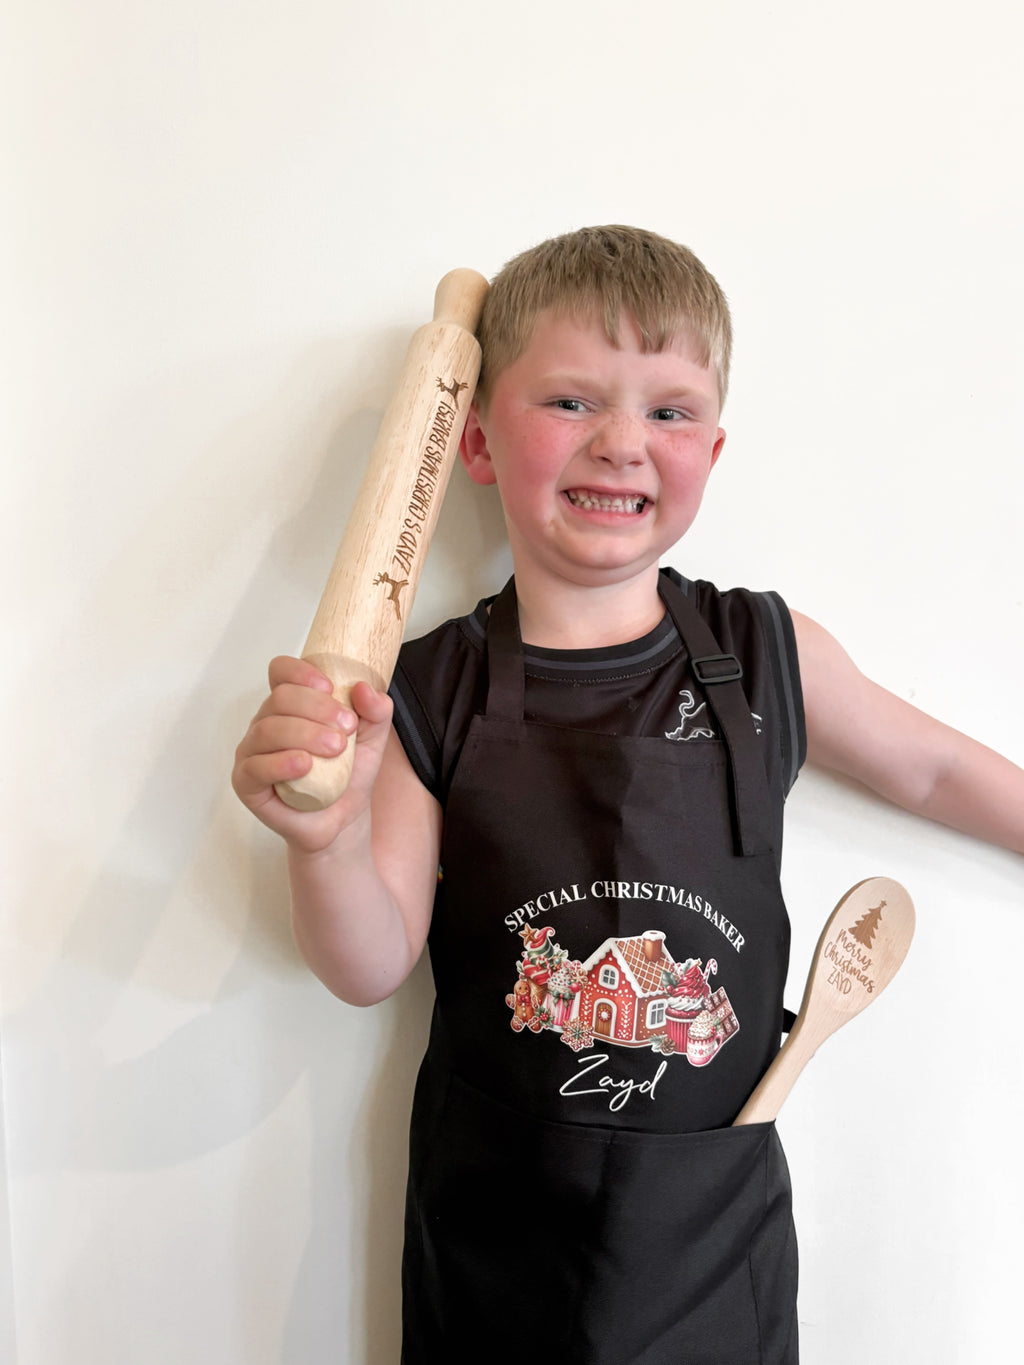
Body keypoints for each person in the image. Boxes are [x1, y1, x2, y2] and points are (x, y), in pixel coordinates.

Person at [232, 226, 1023, 1363]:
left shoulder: (768, 654)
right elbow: (368, 965)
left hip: (710, 1235)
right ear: (475, 441)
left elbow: (932, 769)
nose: (621, 443)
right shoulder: (416, 691)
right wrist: (325, 839)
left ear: (714, 447)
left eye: (669, 410)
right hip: (496, 1231)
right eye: (569, 401)